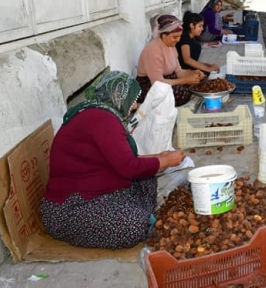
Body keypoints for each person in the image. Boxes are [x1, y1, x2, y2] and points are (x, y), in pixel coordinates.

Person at [40, 71, 186, 250]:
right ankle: (137, 215)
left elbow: (122, 158)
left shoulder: (99, 113)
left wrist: (161, 157)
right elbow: (129, 167)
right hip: (70, 208)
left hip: (95, 191)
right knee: (132, 226)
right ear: (117, 96)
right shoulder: (102, 120)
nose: (133, 107)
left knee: (147, 180)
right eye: (132, 100)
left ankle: (135, 210)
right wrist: (166, 162)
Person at [137, 14, 205, 106]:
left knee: (198, 83)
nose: (178, 40)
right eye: (175, 37)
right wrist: (185, 80)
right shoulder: (153, 51)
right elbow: (157, 83)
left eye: (179, 36)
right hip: (150, 85)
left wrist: (193, 73)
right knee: (181, 93)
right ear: (164, 35)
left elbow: (178, 71)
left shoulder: (171, 46)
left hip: (167, 79)